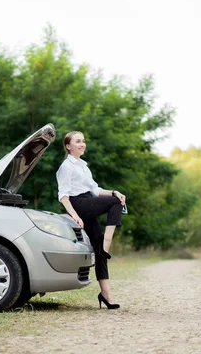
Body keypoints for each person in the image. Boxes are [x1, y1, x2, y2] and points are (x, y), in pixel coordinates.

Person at [56, 131, 126, 310]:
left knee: (100, 250)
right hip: (79, 204)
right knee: (115, 202)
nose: (82, 144)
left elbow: (95, 189)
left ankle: (106, 296)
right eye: (78, 141)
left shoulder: (83, 166)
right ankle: (107, 245)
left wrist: (113, 191)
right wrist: (75, 215)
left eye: (83, 141)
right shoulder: (66, 167)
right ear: (68, 146)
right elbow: (63, 196)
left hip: (89, 200)